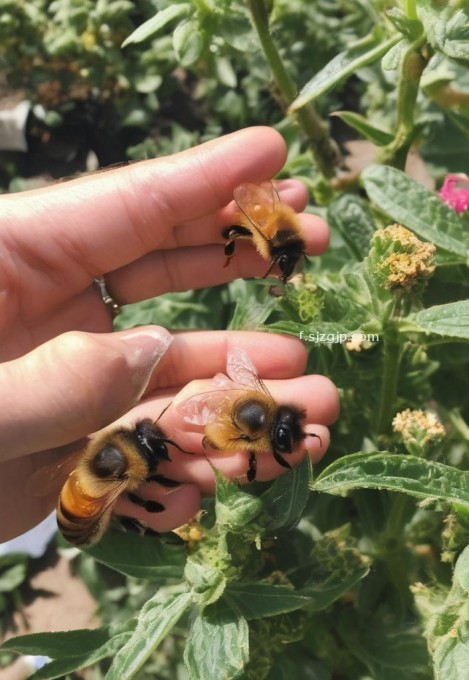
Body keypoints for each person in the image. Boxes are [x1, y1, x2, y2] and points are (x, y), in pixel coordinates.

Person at [0, 126, 340, 543]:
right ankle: (126, 522)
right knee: (118, 499)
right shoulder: (121, 457)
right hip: (81, 498)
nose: (160, 454)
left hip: (68, 479)